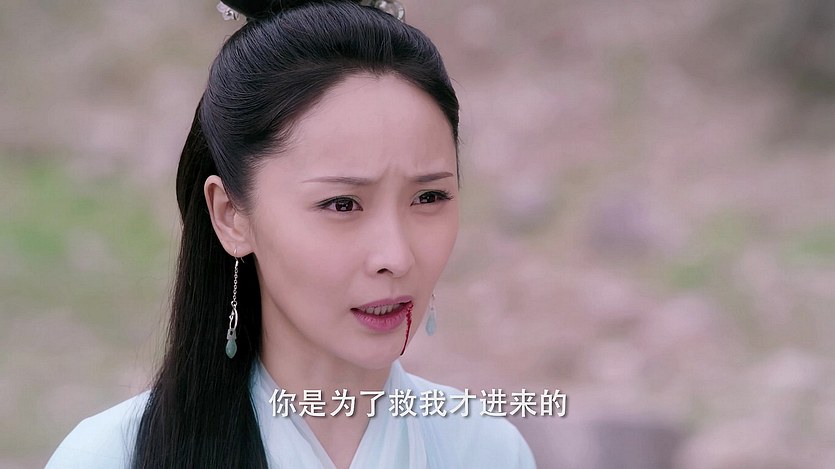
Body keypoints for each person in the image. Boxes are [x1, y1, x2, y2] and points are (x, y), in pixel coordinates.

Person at [46, 0, 536, 467]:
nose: (396, 256)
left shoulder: (488, 451)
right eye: (342, 204)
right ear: (231, 215)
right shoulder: (110, 458)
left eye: (428, 197)